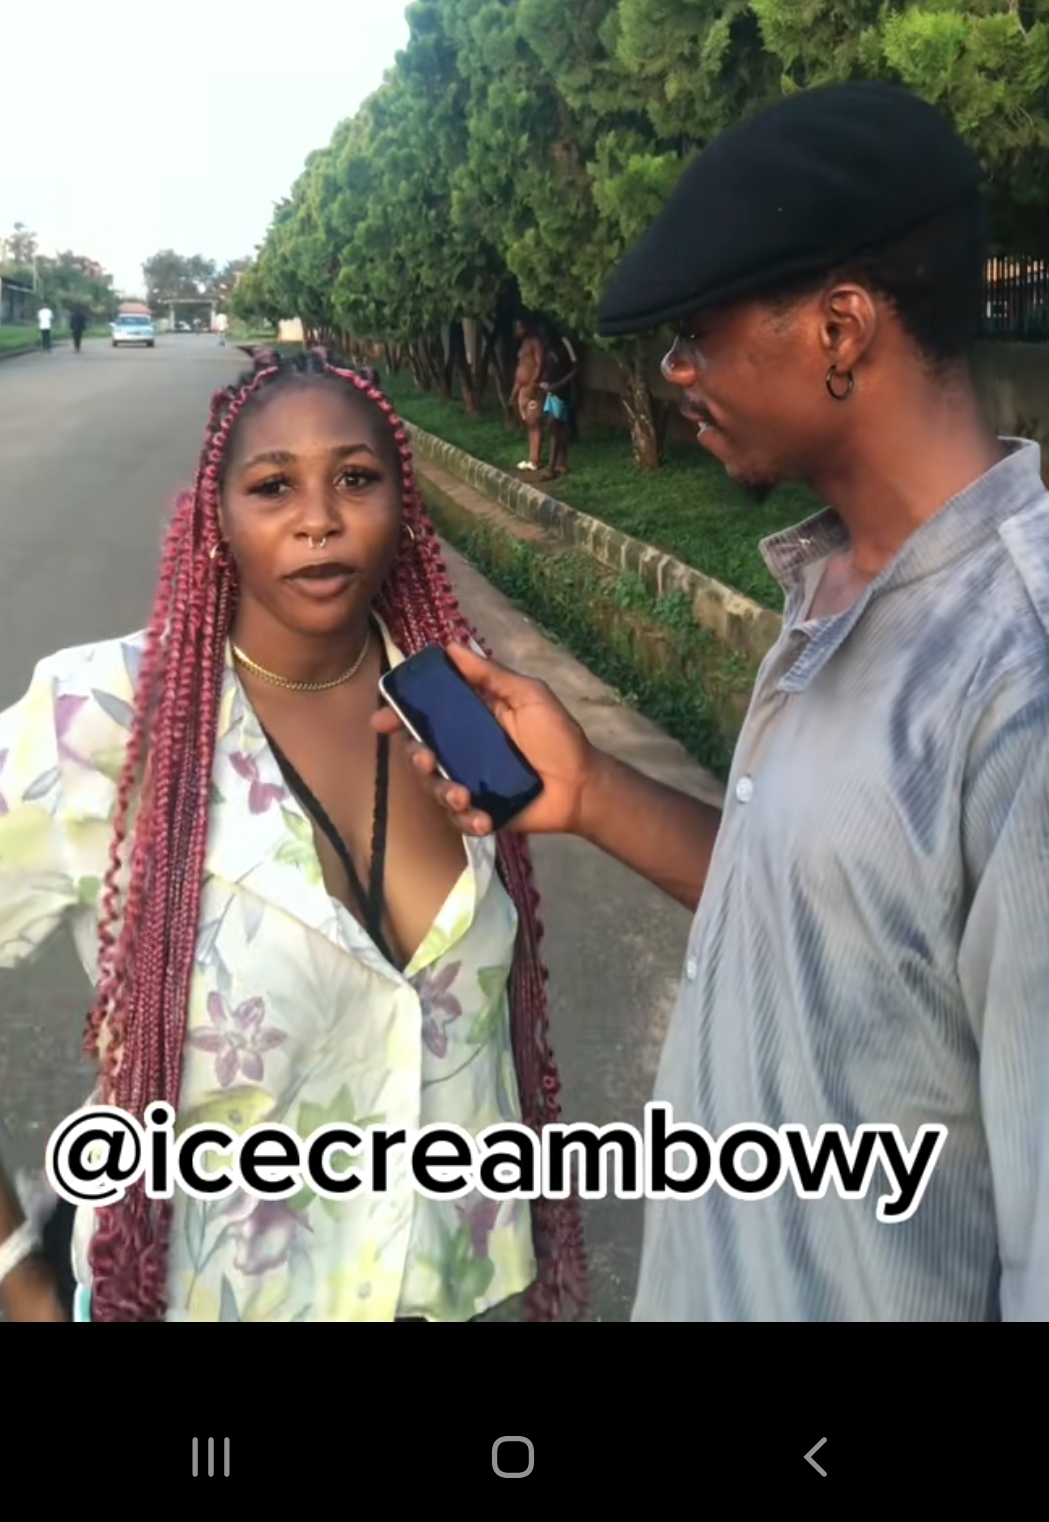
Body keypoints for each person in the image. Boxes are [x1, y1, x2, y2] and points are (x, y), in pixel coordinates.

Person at [377, 82, 1049, 1324]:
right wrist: (588, 791)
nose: (674, 371)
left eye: (695, 334)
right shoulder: (834, 584)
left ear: (841, 329)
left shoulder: (1020, 678)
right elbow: (814, 910)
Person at [0, 349, 586, 1324]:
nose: (320, 519)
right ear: (215, 518)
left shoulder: (460, 708)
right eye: (274, 486)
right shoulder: (102, 716)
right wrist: (21, 1281)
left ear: (403, 506)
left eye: (357, 478)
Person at [537, 323, 579, 481]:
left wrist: (559, 385)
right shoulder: (547, 347)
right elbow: (547, 368)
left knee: (554, 424)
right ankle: (561, 462)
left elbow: (575, 368)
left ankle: (551, 467)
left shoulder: (564, 343)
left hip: (562, 391)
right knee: (556, 426)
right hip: (550, 392)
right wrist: (544, 382)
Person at [510, 314, 545, 473]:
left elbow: (539, 364)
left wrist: (533, 384)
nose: (516, 330)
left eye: (518, 327)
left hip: (532, 389)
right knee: (529, 424)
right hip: (522, 389)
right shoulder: (523, 344)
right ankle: (531, 457)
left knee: (534, 422)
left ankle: (536, 459)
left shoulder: (534, 342)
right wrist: (514, 393)